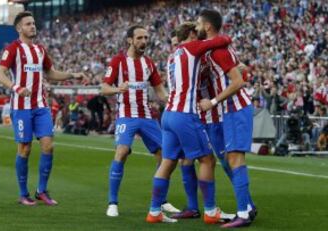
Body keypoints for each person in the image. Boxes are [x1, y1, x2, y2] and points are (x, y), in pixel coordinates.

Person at [0, 11, 87, 206]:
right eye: (28, 24)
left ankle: (41, 191)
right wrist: (16, 88)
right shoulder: (13, 49)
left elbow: (51, 73)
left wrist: (72, 74)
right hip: (21, 107)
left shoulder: (40, 50)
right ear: (19, 28)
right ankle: (23, 194)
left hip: (41, 105)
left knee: (48, 146)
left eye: (34, 23)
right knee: (25, 148)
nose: (32, 26)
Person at [145, 22, 231, 224]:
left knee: (168, 161)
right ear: (192, 34)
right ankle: (210, 211)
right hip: (185, 114)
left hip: (168, 114)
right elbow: (223, 40)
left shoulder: (172, 55)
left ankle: (154, 210)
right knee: (207, 160)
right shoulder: (191, 47)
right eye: (197, 34)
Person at [101, 25, 179, 217]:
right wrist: (117, 89)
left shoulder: (149, 63)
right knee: (122, 152)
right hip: (126, 116)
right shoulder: (118, 61)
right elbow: (104, 87)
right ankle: (112, 203)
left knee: (166, 155)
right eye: (140, 38)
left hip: (146, 116)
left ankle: (162, 201)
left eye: (146, 38)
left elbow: (160, 90)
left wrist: (173, 101)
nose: (144, 41)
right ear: (130, 40)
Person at [197, 9, 256, 228]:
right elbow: (240, 69)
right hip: (231, 110)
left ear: (208, 26)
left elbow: (238, 81)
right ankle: (247, 207)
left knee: (235, 159)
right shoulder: (215, 49)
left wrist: (212, 102)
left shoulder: (218, 51)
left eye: (198, 23)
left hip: (236, 108)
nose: (197, 27)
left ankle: (243, 214)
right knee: (230, 160)